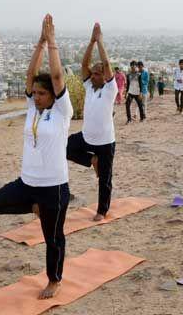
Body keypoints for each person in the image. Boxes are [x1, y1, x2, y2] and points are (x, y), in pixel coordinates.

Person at [0, 14, 72, 299]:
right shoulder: (33, 109)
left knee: (53, 238)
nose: (35, 97)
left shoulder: (62, 112)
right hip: (28, 183)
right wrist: (39, 43)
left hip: (53, 187)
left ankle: (54, 280)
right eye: (33, 93)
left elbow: (57, 76)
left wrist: (53, 43)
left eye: (41, 93)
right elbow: (30, 74)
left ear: (53, 95)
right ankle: (33, 206)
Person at [66, 22, 117, 222]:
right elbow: (83, 64)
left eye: (98, 73)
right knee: (65, 146)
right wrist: (91, 42)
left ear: (105, 76)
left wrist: (100, 42)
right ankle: (90, 160)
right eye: (93, 73)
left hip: (105, 142)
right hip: (86, 138)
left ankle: (102, 211)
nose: (93, 76)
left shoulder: (109, 90)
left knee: (105, 180)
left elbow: (106, 63)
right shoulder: (89, 87)